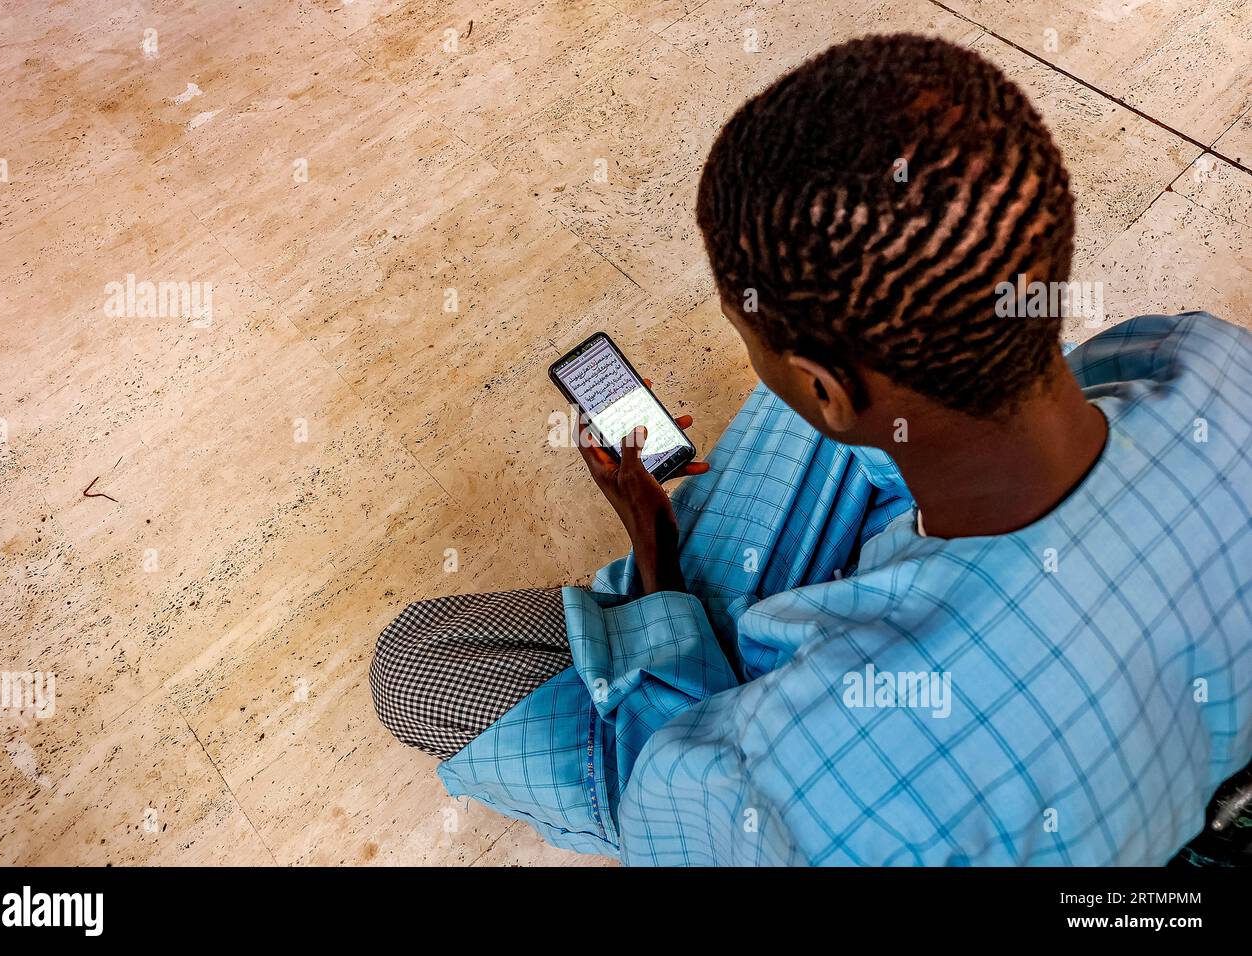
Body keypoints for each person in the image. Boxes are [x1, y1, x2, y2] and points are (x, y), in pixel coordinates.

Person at [370, 33, 1252, 865]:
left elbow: (663, 785)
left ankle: (680, 599)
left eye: (750, 340)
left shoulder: (795, 776)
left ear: (829, 389)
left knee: (419, 664)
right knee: (880, 359)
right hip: (1074, 681)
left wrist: (657, 560)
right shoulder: (1213, 363)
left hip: (796, 741)